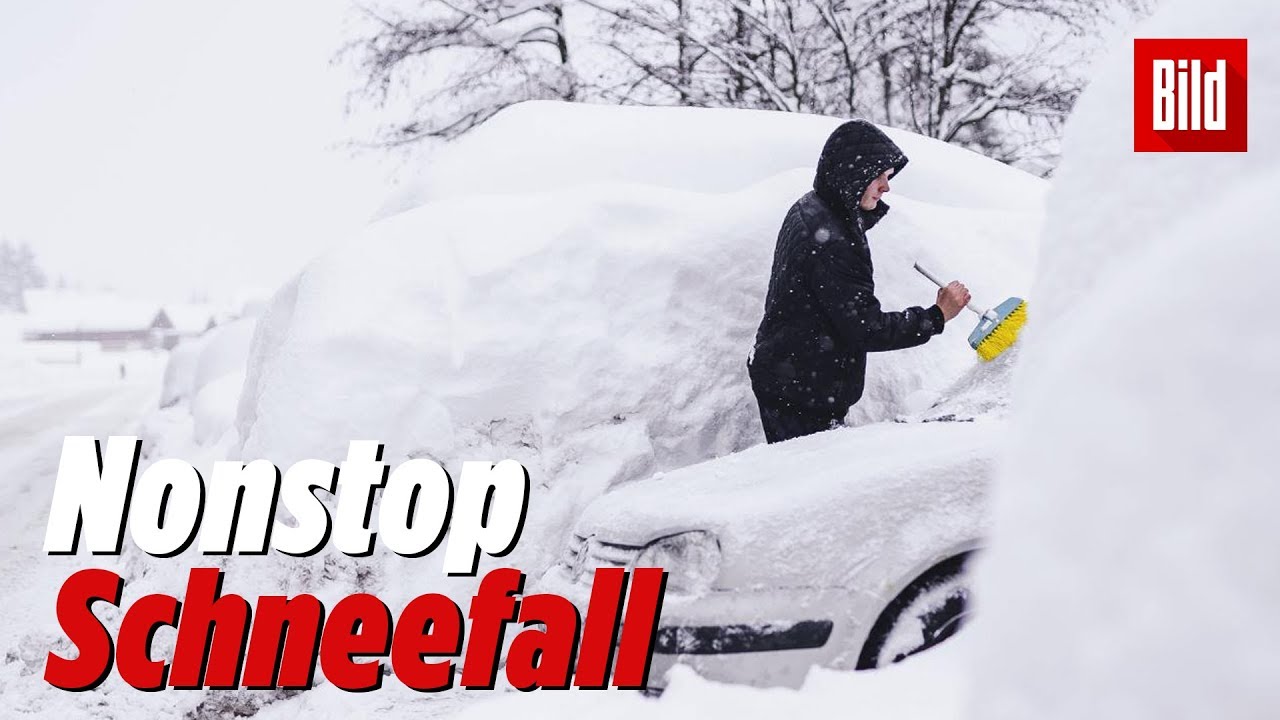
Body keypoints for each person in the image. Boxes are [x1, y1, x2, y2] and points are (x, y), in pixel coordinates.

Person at [748, 120, 971, 444]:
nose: (886, 187)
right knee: (811, 487)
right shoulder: (835, 242)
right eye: (878, 176)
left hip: (786, 376)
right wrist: (937, 315)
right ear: (851, 175)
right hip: (801, 394)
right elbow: (867, 328)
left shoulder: (812, 206)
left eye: (888, 177)